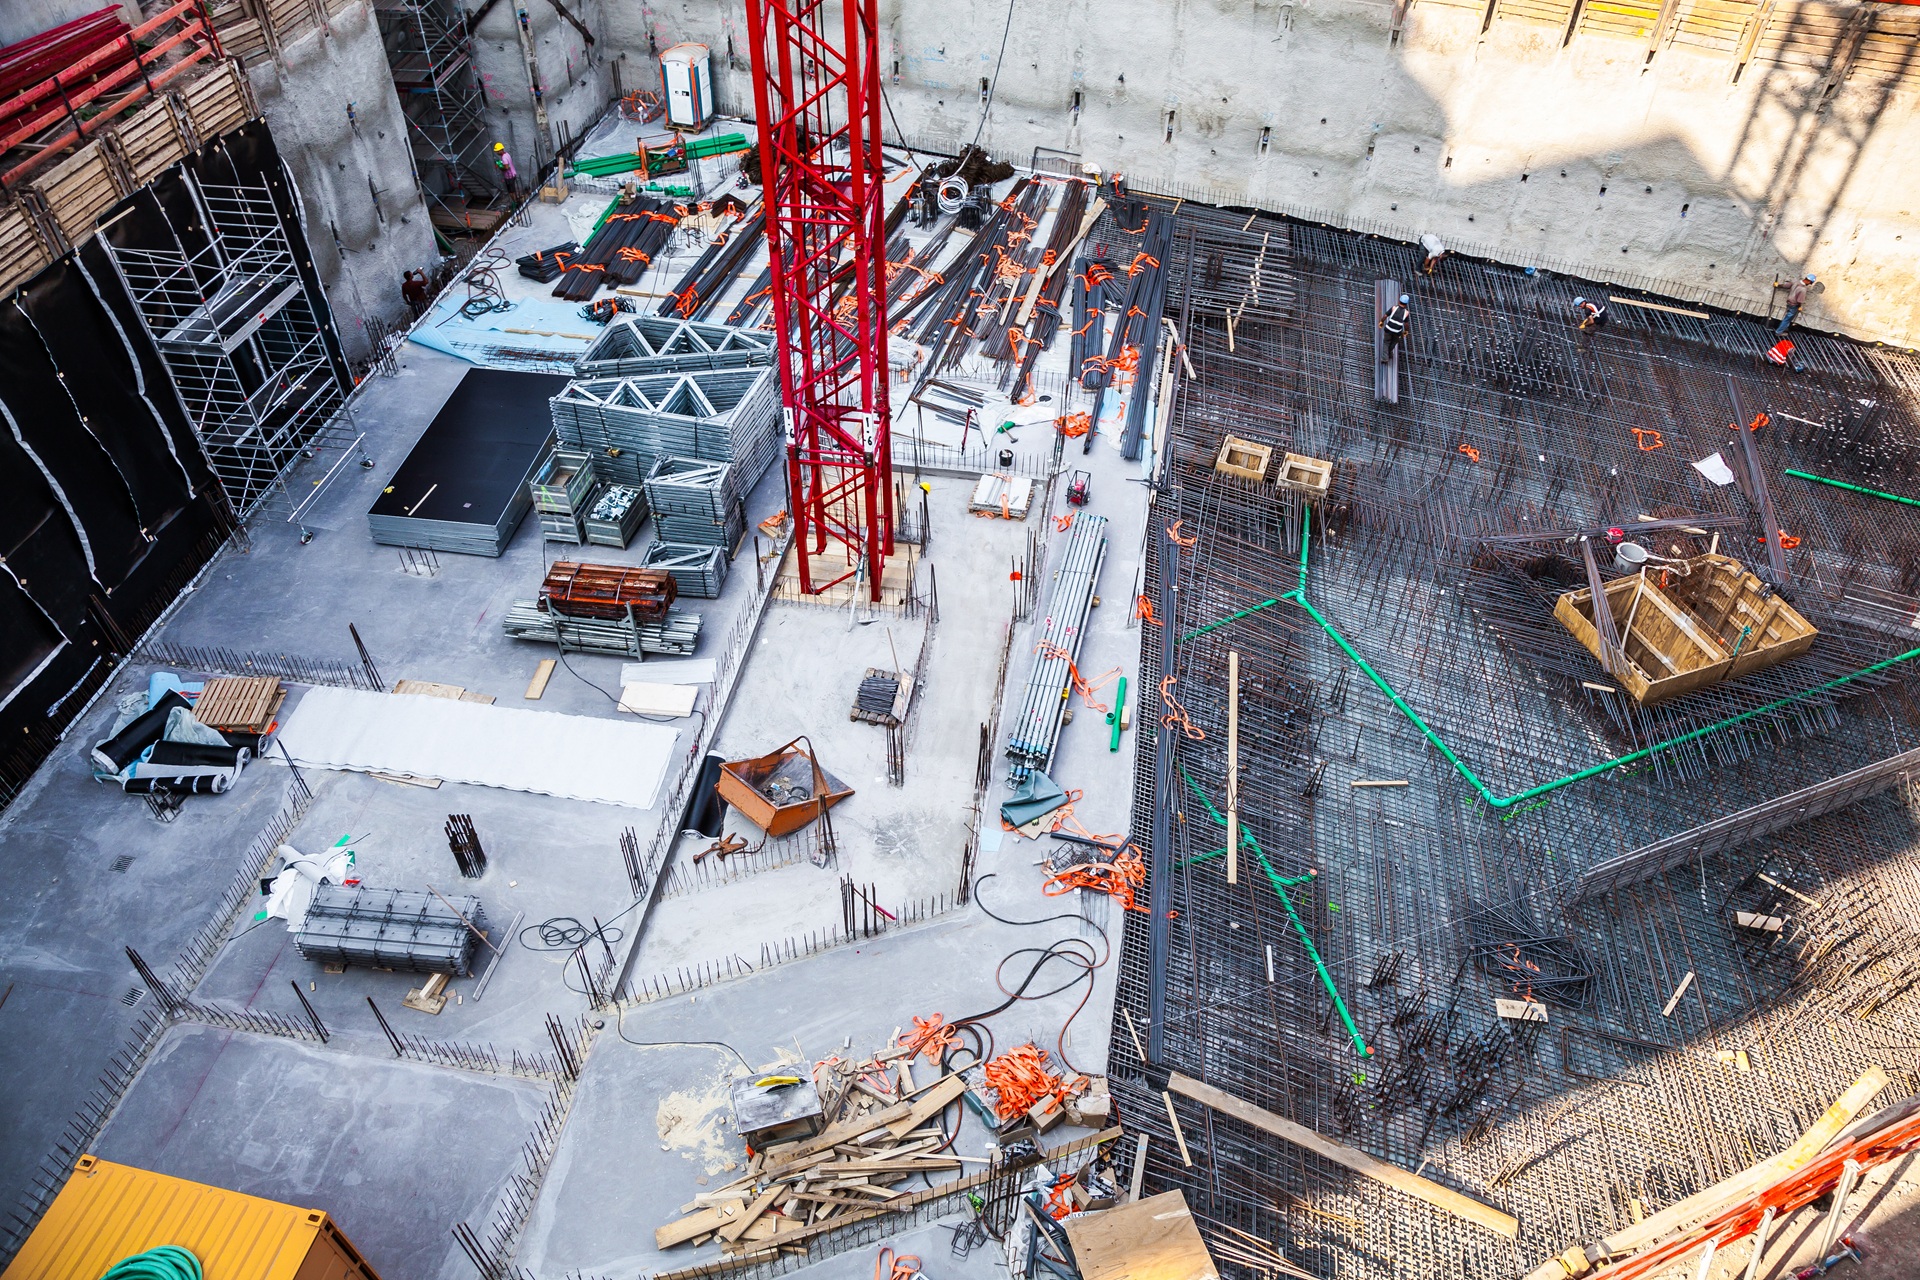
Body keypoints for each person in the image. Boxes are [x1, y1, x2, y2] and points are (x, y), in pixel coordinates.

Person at [1379, 292, 1411, 363]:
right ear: (1406, 304)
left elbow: (1385, 316)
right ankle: (1389, 354)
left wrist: (1381, 321)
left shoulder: (1394, 308)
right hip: (1397, 331)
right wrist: (1406, 331)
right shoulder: (1406, 313)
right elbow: (1406, 324)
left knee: (1386, 342)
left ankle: (1385, 358)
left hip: (1388, 328)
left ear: (1399, 301)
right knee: (1394, 342)